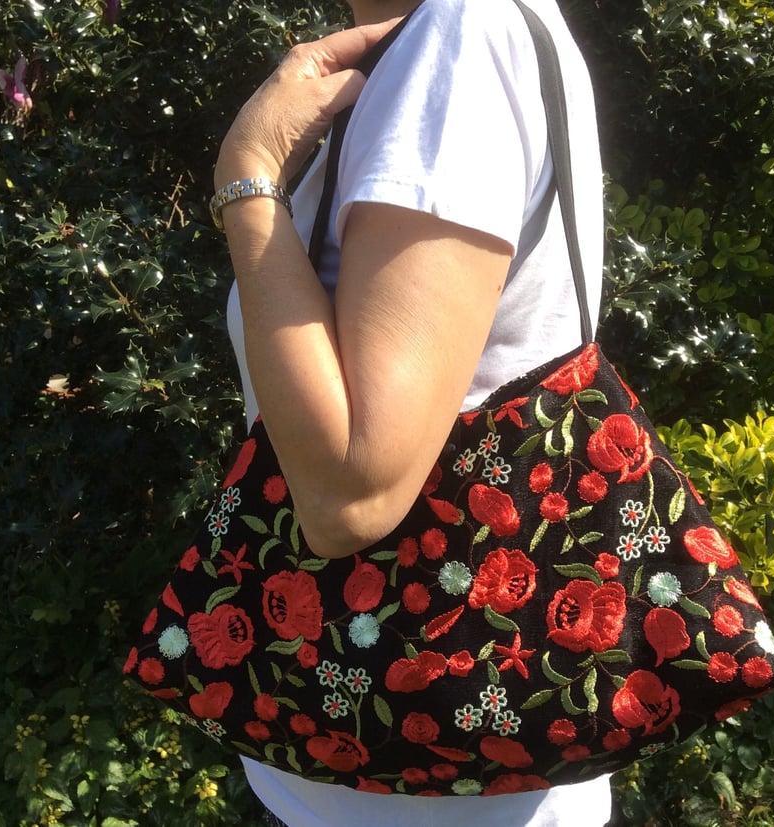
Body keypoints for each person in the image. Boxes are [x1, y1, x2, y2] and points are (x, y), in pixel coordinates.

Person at [216, 0, 611, 823]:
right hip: (392, 777)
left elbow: (350, 491)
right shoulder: (447, 48)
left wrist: (247, 174)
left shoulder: (464, 38)